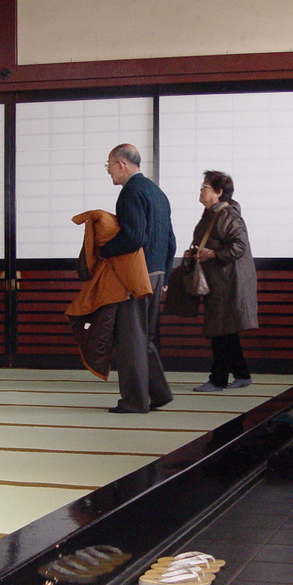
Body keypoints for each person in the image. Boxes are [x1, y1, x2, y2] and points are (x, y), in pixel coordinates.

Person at [98, 144, 176, 413]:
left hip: (136, 276)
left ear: (121, 164)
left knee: (130, 340)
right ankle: (159, 393)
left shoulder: (130, 192)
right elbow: (171, 241)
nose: (108, 171)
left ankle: (134, 401)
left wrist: (103, 251)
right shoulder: (157, 193)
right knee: (144, 338)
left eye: (108, 165)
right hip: (156, 275)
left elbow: (134, 237)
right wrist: (165, 275)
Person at [189, 170, 258, 392]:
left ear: (219, 192)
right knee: (225, 330)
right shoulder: (213, 213)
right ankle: (242, 374)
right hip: (221, 280)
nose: (201, 190)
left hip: (229, 282)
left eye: (205, 186)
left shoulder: (227, 215)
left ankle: (218, 379)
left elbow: (240, 246)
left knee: (222, 331)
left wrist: (211, 254)